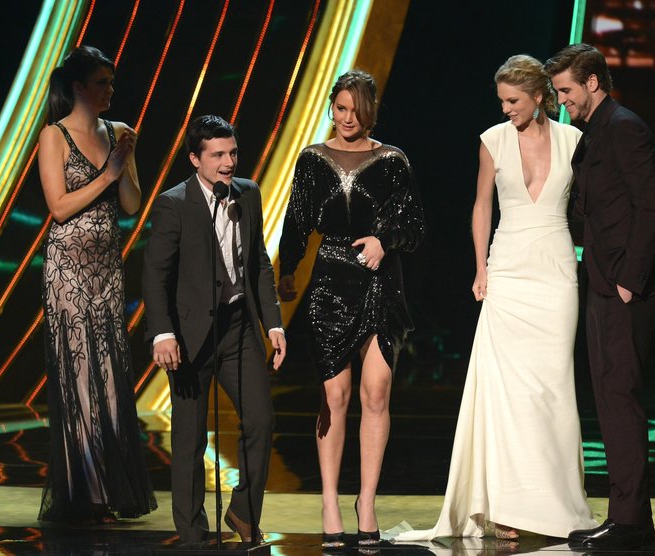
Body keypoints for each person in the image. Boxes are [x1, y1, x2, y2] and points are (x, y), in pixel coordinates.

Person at [396, 55, 597, 545]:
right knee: (505, 394)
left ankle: (555, 501)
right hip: (507, 272)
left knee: (550, 391)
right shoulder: (492, 140)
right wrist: (482, 268)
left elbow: (590, 205)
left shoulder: (573, 140)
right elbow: (482, 203)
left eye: (514, 100)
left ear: (539, 96)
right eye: (501, 101)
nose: (506, 109)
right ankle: (504, 505)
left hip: (554, 272)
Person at [277, 69, 424, 549]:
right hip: (330, 283)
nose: (347, 118)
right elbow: (298, 220)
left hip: (381, 283)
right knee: (335, 398)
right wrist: (288, 270)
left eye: (355, 111)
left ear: (370, 112)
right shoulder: (312, 160)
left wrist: (385, 239)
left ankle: (366, 501)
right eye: (340, 108)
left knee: (376, 393)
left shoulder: (393, 160)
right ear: (332, 109)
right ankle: (328, 501)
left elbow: (415, 225)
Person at [545, 43, 655, 550]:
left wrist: (627, 281)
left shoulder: (625, 128)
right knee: (609, 398)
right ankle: (628, 515)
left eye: (567, 91)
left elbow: (650, 209)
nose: (562, 101)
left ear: (593, 82)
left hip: (624, 286)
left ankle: (630, 522)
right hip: (600, 281)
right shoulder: (593, 133)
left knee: (620, 398)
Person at [142, 115, 286, 545]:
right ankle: (191, 533)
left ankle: (243, 512)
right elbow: (155, 273)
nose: (228, 163)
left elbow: (258, 261)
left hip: (238, 328)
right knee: (189, 436)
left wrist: (273, 323)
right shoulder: (174, 203)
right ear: (195, 158)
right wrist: (162, 333)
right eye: (218, 155)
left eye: (233, 153)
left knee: (261, 420)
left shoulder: (249, 193)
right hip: (187, 336)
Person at [38, 45, 156, 523]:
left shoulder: (119, 132)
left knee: (110, 379)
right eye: (102, 82)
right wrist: (106, 174)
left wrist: (123, 162)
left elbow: (130, 204)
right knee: (80, 379)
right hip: (67, 268)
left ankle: (109, 486)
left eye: (111, 82)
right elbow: (59, 208)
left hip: (107, 268)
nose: (110, 90)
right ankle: (84, 491)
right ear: (78, 87)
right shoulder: (55, 135)